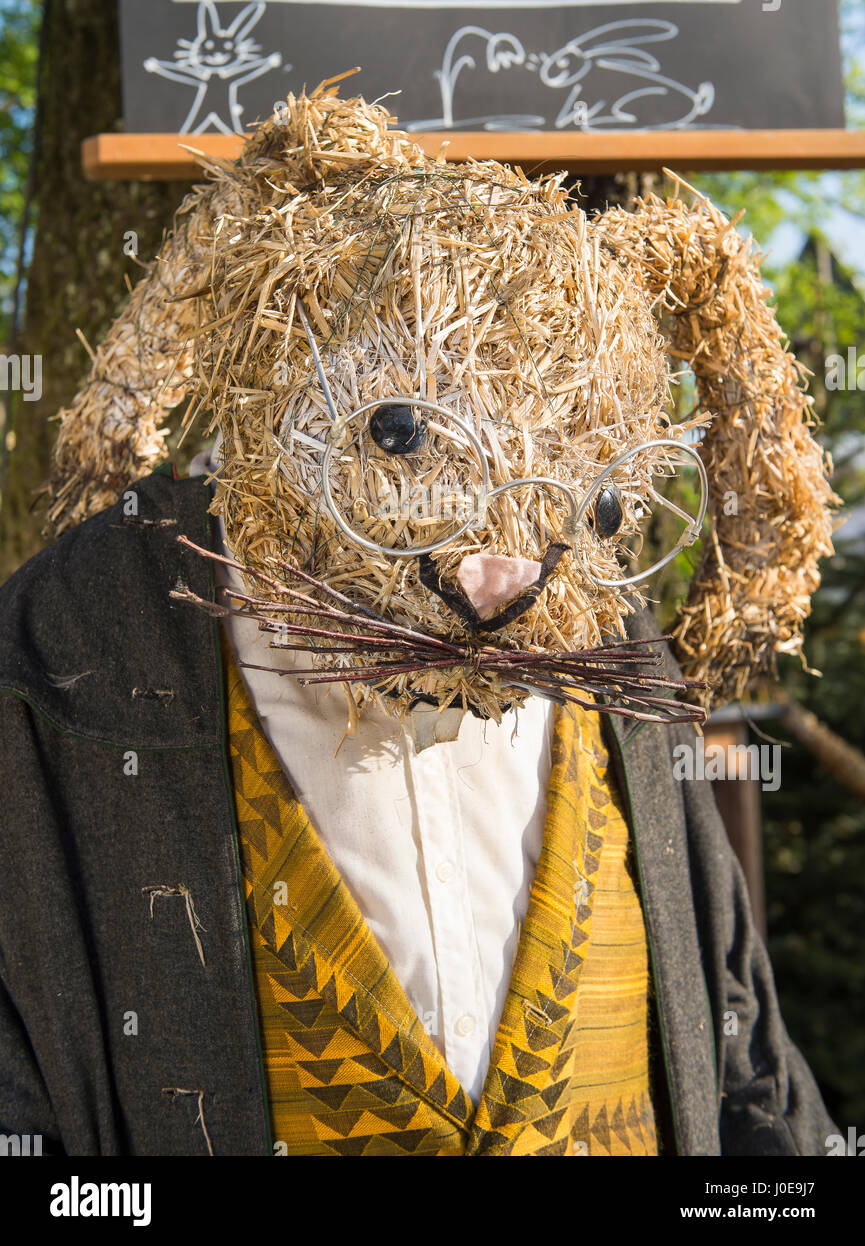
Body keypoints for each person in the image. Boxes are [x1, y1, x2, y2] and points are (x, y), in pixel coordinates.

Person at [0, 86, 839, 1156]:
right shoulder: (75, 649)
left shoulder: (617, 657)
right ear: (285, 305)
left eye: (593, 502)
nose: (496, 576)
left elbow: (741, 1067)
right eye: (398, 434)